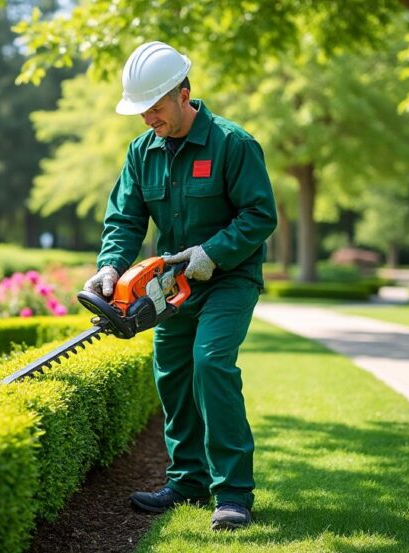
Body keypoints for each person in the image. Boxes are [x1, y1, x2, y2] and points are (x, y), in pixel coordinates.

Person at [83, 41, 277, 531]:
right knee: (171, 370)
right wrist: (110, 267)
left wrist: (211, 253)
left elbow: (259, 215)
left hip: (229, 277)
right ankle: (188, 480)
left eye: (155, 107)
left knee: (210, 363)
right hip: (172, 285)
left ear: (183, 95)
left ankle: (233, 493)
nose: (148, 118)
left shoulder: (233, 144)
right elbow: (125, 218)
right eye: (141, 109)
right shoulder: (141, 152)